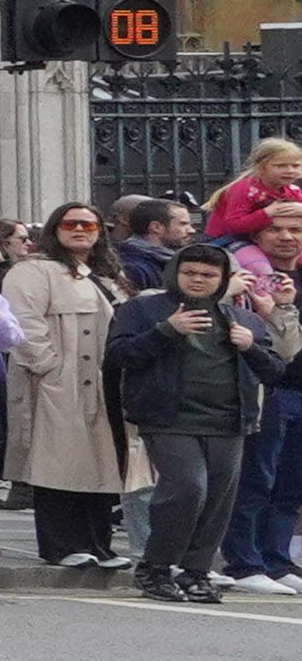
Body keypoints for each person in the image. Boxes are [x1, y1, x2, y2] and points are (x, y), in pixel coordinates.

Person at [107, 238, 280, 605]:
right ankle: (155, 566)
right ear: (175, 273)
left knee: (218, 499)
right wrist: (167, 330)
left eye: (208, 274)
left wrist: (250, 345)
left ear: (222, 279)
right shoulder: (145, 309)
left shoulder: (242, 318)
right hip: (168, 417)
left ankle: (196, 571)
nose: (198, 280)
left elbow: (275, 371)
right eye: (189, 273)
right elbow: (120, 355)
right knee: (187, 487)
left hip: (229, 420)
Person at [0, 205, 128, 573]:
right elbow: (24, 324)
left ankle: (97, 543)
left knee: (101, 461)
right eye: (71, 223)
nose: (81, 230)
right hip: (60, 378)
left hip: (103, 378)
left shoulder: (105, 273)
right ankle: (60, 544)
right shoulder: (32, 271)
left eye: (89, 224)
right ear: (55, 229)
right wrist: (48, 367)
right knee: (58, 462)